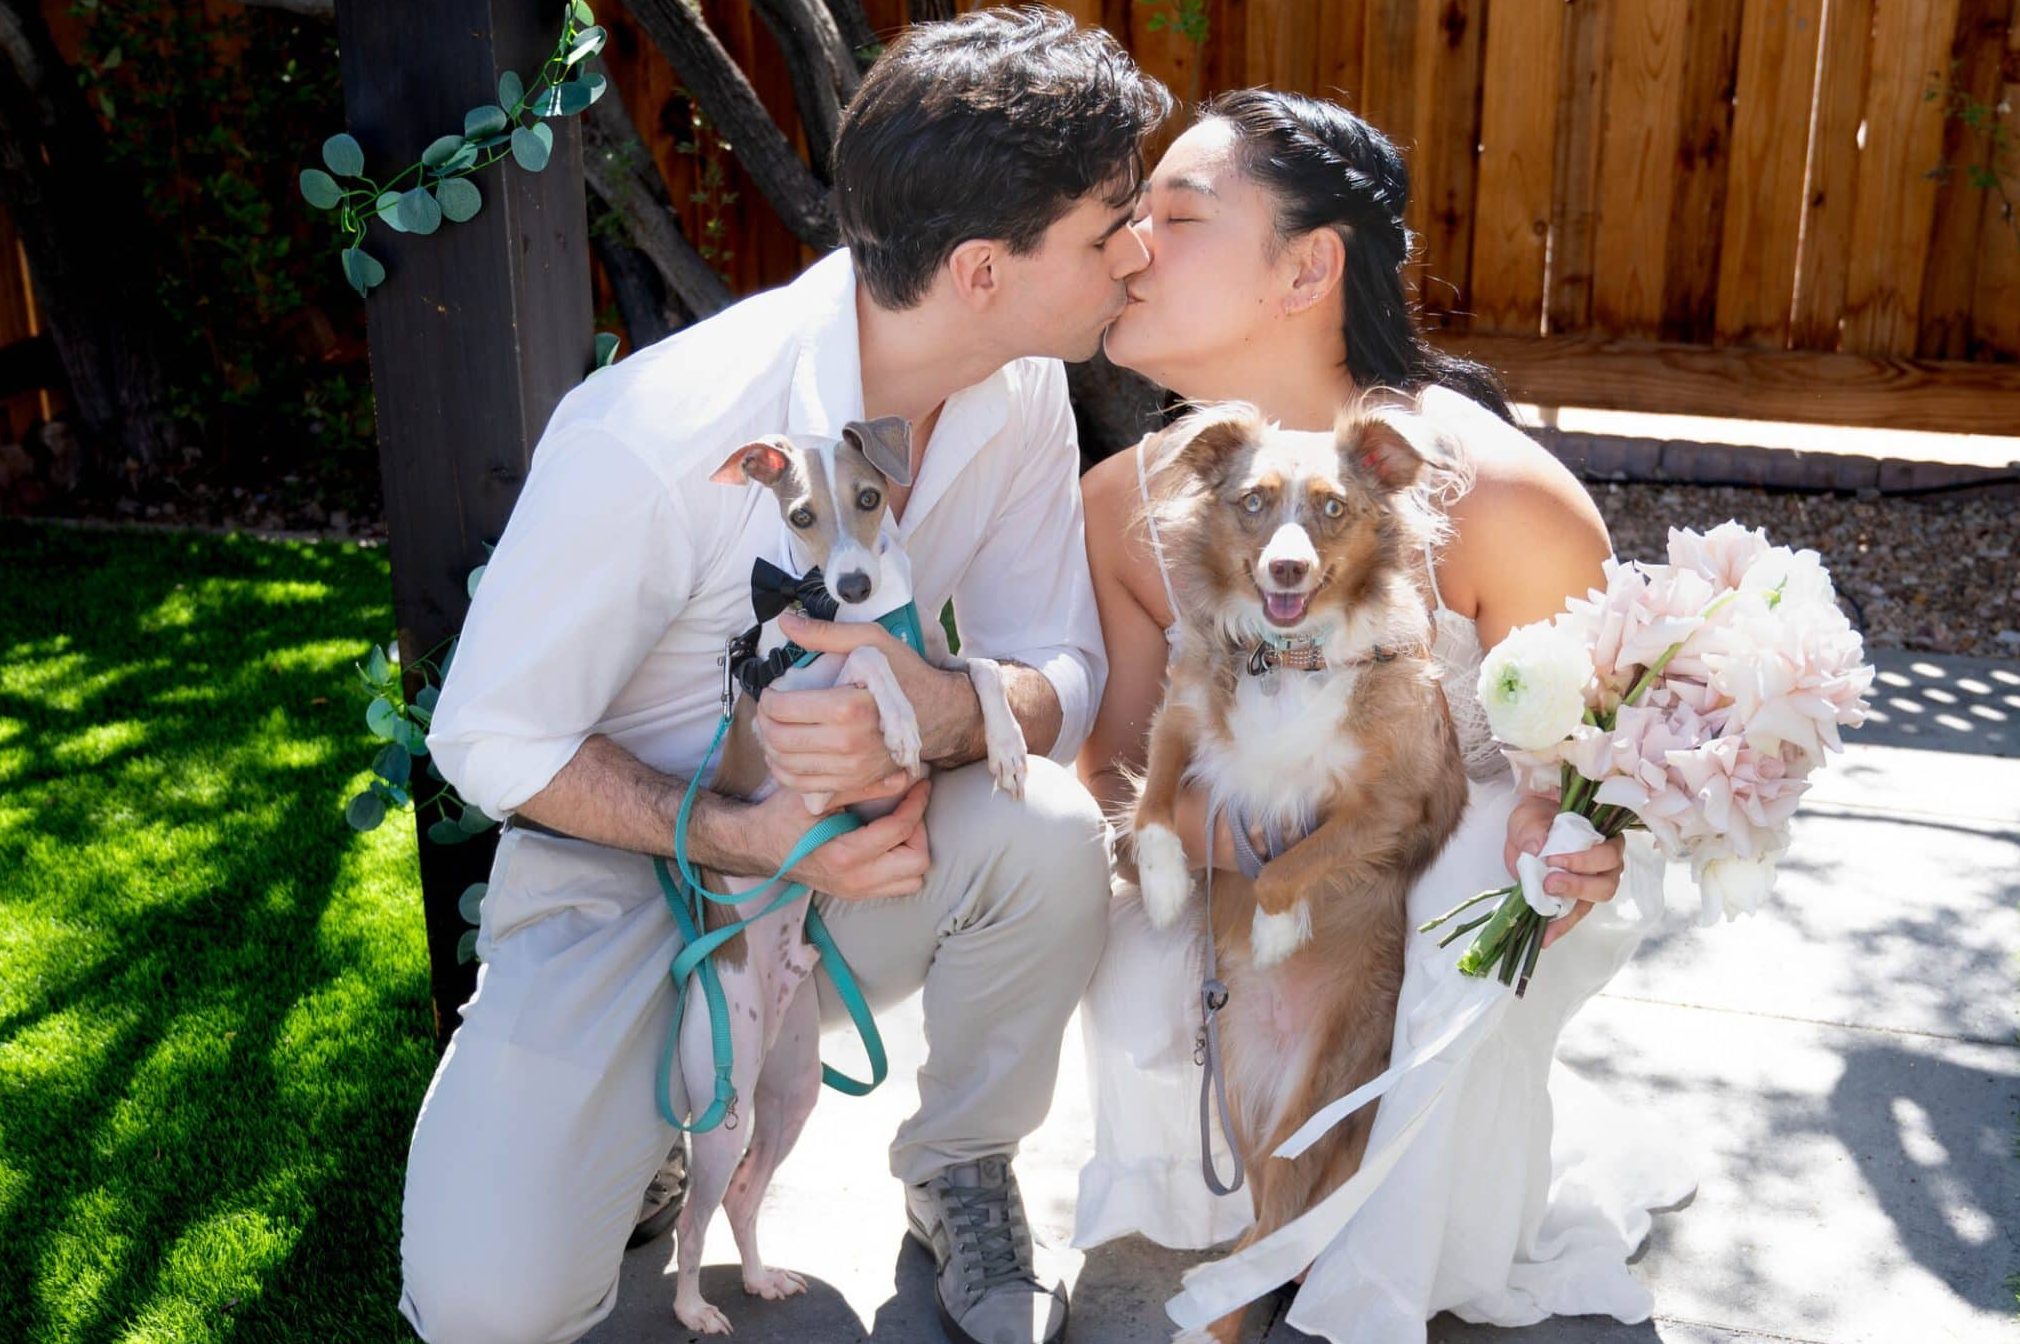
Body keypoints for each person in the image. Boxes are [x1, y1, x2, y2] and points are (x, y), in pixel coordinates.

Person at [397, 12, 1172, 1344]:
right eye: (1114, 227)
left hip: (873, 849)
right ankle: (645, 1112)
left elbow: (1067, 672)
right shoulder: (666, 429)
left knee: (1046, 840)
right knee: (487, 1308)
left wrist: (953, 712)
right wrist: (736, 832)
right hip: (634, 872)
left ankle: (962, 1167)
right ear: (986, 269)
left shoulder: (1022, 385)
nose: (1143, 251)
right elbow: (488, 736)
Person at [1073, 89, 1694, 1341]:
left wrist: (1559, 831)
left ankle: (1383, 1224)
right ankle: (1257, 1190)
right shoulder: (1118, 504)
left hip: (1450, 889)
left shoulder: (1498, 494)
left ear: (1307, 265)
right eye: (1129, 218)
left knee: (1461, 878)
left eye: (1174, 217)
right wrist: (1210, 840)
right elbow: (1117, 762)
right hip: (1256, 880)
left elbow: (1594, 776)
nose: (1128, 245)